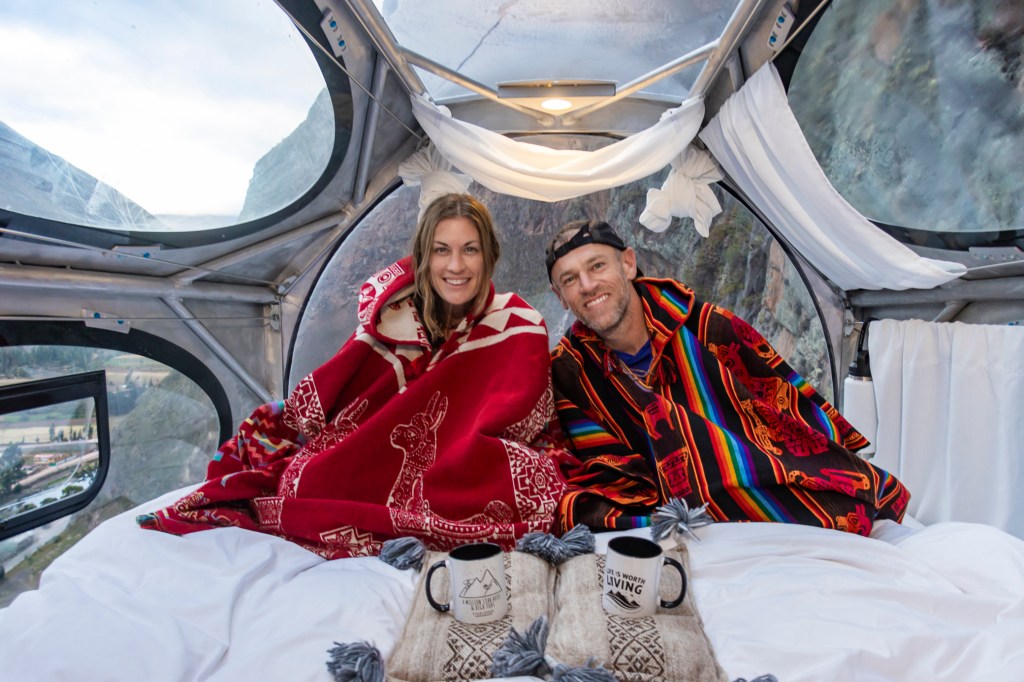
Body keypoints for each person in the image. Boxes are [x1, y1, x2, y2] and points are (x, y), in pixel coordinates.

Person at [139, 194, 566, 559]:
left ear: (488, 255)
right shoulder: (394, 317)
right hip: (379, 450)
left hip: (470, 459)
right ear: (424, 257)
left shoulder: (518, 322)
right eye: (442, 250)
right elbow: (342, 393)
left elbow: (526, 416)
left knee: (534, 491)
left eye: (469, 249)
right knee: (307, 483)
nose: (456, 265)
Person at [544, 219, 909, 536]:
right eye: (570, 279)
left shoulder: (708, 328)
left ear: (627, 263)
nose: (587, 285)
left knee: (840, 507)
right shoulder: (568, 371)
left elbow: (783, 407)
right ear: (560, 297)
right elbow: (591, 463)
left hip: (754, 484)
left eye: (597, 266)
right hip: (657, 504)